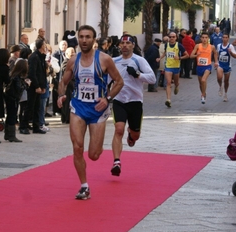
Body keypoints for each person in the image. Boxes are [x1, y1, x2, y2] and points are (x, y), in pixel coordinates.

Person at [57, 25, 124, 200]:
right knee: (77, 148)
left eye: (88, 37)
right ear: (78, 39)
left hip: (97, 110)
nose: (84, 40)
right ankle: (84, 186)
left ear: (94, 39)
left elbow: (119, 82)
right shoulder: (73, 60)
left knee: (94, 155)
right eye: (81, 37)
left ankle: (98, 146)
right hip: (78, 107)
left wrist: (107, 98)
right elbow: (63, 81)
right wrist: (61, 95)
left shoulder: (104, 59)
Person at [110, 35, 156, 176]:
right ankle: (116, 162)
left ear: (133, 45)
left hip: (135, 101)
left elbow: (152, 78)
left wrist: (137, 74)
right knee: (118, 129)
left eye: (128, 43)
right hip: (118, 100)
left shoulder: (139, 60)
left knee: (135, 135)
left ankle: (132, 135)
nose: (125, 45)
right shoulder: (113, 61)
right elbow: (104, 77)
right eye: (122, 43)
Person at [19, 39, 47, 134]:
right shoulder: (34, 57)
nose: (46, 46)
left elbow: (42, 73)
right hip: (33, 86)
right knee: (29, 107)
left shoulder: (41, 57)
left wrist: (43, 86)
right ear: (41, 46)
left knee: (37, 107)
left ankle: (36, 126)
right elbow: (32, 73)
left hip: (39, 85)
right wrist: (37, 86)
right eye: (44, 44)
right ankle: (23, 126)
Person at [160, 32, 189, 108]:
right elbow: (165, 53)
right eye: (170, 37)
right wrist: (159, 58)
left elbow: (187, 55)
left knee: (176, 82)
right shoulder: (166, 45)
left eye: (173, 37)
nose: (171, 38)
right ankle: (168, 100)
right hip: (168, 66)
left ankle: (176, 86)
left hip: (176, 67)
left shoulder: (179, 45)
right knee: (168, 83)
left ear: (176, 38)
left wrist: (179, 58)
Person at [190, 32, 218, 104]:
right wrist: (197, 55)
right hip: (199, 67)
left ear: (208, 38)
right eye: (203, 37)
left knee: (203, 80)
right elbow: (191, 56)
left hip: (207, 66)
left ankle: (203, 95)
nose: (204, 39)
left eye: (206, 37)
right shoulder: (197, 46)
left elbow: (215, 53)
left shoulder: (211, 47)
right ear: (201, 38)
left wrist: (216, 61)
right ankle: (204, 93)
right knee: (200, 84)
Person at [4, 59, 29, 142]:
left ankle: (7, 134)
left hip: (10, 97)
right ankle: (11, 135)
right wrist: (26, 84)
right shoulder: (17, 77)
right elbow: (19, 88)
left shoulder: (14, 75)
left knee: (10, 115)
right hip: (13, 98)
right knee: (12, 116)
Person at [216, 33, 236, 102]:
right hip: (220, 64)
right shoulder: (219, 46)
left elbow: (235, 56)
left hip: (227, 65)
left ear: (228, 38)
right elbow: (216, 54)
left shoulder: (230, 46)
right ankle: (220, 86)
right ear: (222, 38)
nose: (224, 39)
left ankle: (225, 94)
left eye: (226, 37)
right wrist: (216, 61)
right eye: (223, 37)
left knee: (226, 81)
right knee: (219, 77)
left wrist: (230, 52)